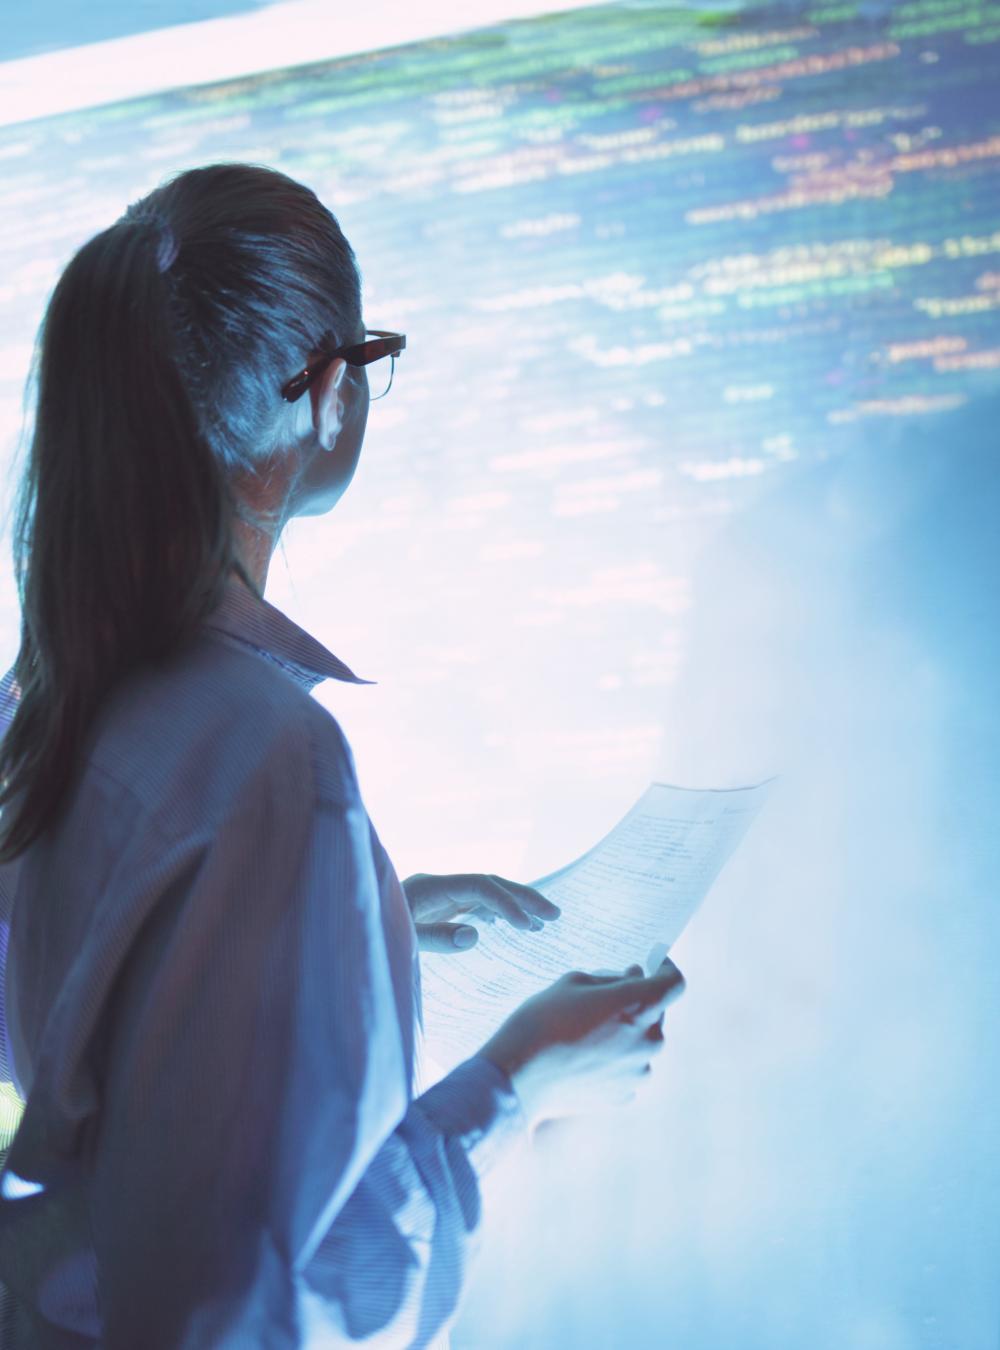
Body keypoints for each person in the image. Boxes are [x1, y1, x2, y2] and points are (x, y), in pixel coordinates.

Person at [0, 163, 685, 1349]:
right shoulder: (270, 764)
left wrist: (353, 930)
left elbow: (90, 1027)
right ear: (329, 393)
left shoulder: (43, 707)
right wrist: (516, 1087)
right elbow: (250, 1316)